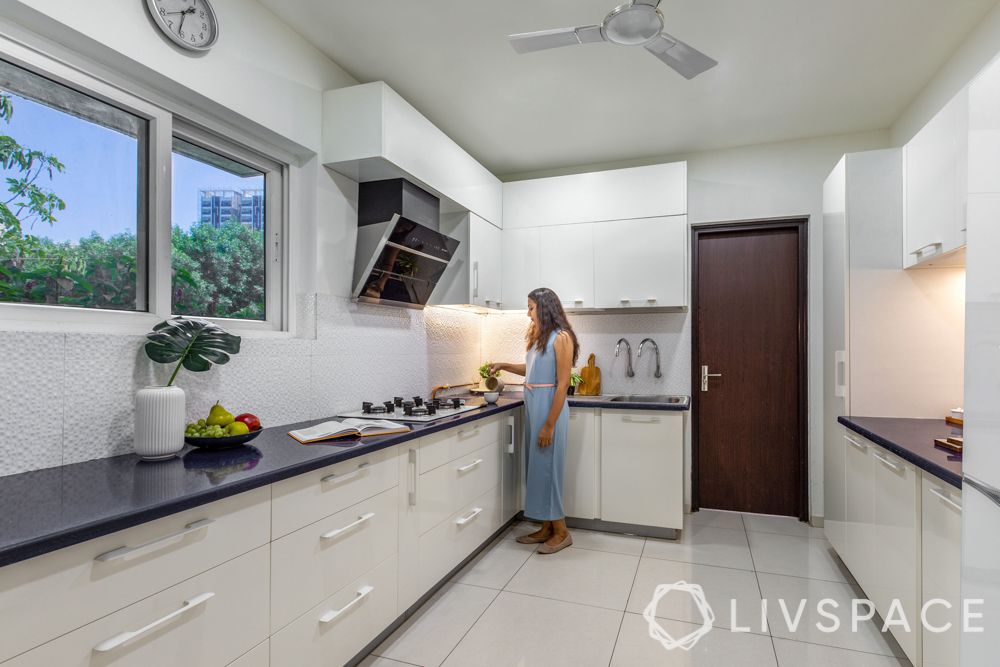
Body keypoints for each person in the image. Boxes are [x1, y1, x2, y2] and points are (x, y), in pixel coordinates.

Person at [490, 287, 579, 554]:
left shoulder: (562, 338)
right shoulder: (542, 337)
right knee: (538, 469)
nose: (528, 314)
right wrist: (503, 365)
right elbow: (530, 370)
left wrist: (550, 424)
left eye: (530, 308)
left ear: (544, 308)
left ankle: (562, 532)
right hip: (534, 406)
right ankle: (546, 527)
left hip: (550, 407)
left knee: (549, 469)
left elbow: (563, 385)